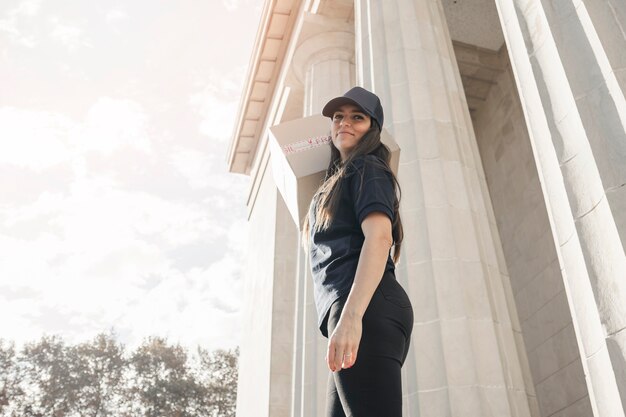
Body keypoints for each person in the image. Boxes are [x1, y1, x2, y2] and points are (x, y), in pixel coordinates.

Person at [302, 86, 414, 417]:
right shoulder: (334, 185)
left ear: (373, 127)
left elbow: (380, 238)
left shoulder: (367, 167)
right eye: (338, 117)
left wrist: (351, 317)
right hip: (351, 310)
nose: (344, 123)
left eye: (357, 117)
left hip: (364, 307)